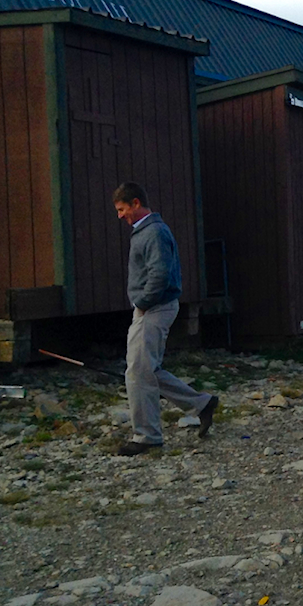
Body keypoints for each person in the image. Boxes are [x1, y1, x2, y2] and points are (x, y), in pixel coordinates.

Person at [112, 182, 217, 456]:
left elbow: (160, 274)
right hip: (153, 307)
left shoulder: (154, 232)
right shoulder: (147, 231)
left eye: (122, 209)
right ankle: (202, 404)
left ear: (136, 203)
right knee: (146, 370)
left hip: (154, 308)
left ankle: (147, 437)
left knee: (138, 372)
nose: (120, 216)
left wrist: (143, 302)